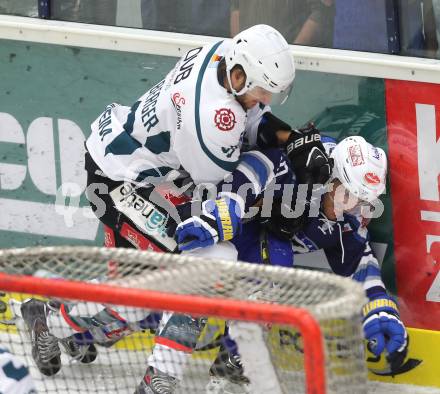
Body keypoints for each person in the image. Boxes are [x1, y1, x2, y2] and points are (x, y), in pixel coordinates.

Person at [19, 23, 333, 382]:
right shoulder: (213, 119)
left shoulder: (220, 52)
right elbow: (223, 193)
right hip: (120, 183)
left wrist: (292, 140)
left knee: (133, 306)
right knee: (214, 259)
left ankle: (48, 317)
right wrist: (280, 158)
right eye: (262, 90)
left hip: (133, 169)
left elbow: (252, 119)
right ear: (238, 75)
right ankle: (159, 379)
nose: (265, 99)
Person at [200, 135, 409, 391]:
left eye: (362, 200)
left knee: (274, 273)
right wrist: (226, 210)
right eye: (347, 194)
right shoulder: (300, 166)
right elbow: (254, 166)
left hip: (259, 250)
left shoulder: (350, 217)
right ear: (332, 177)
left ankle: (232, 361)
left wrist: (380, 310)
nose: (351, 206)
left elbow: (359, 263)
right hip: (215, 224)